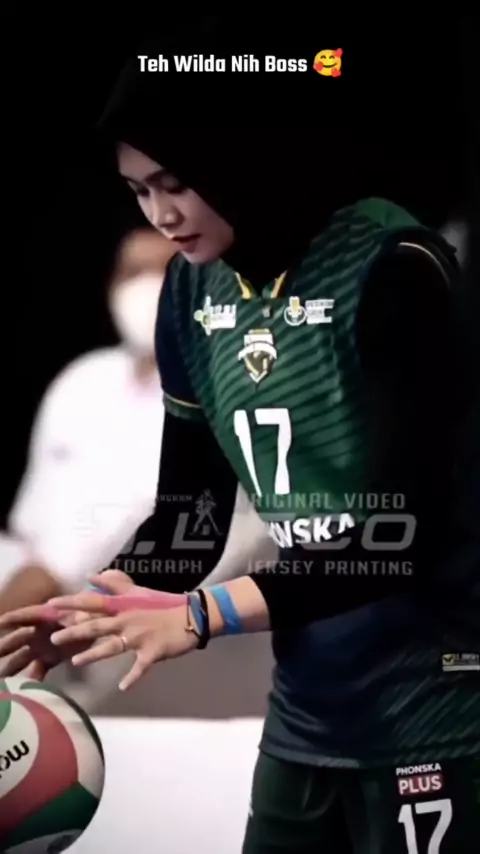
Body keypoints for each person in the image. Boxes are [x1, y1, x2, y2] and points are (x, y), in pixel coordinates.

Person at [1, 53, 479, 853]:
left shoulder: (394, 269)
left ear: (239, 156)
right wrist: (93, 609)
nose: (161, 214)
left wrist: (201, 615)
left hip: (435, 700)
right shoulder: (190, 292)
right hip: (308, 708)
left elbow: (401, 537)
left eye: (175, 183)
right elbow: (190, 516)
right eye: (138, 191)